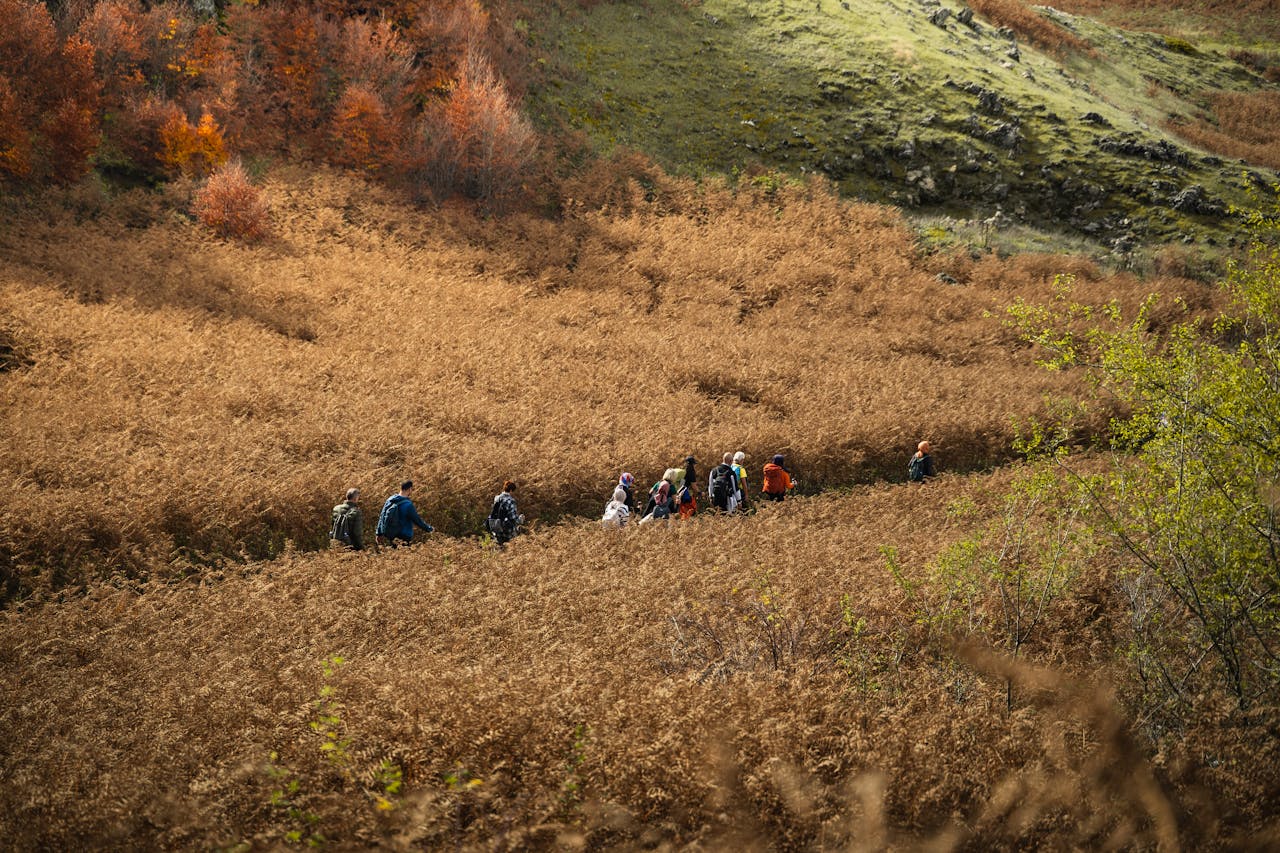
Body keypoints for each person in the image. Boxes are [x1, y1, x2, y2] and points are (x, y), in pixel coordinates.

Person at [375, 480, 434, 546]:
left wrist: (378, 533)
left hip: (391, 534)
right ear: (410, 489)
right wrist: (430, 529)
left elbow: (382, 516)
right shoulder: (408, 505)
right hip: (404, 536)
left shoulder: (390, 500)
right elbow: (417, 520)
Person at [487, 480, 524, 546]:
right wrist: (520, 519)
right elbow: (513, 517)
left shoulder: (497, 498)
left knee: (499, 546)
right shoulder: (510, 500)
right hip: (507, 528)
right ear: (511, 491)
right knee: (510, 547)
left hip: (495, 525)